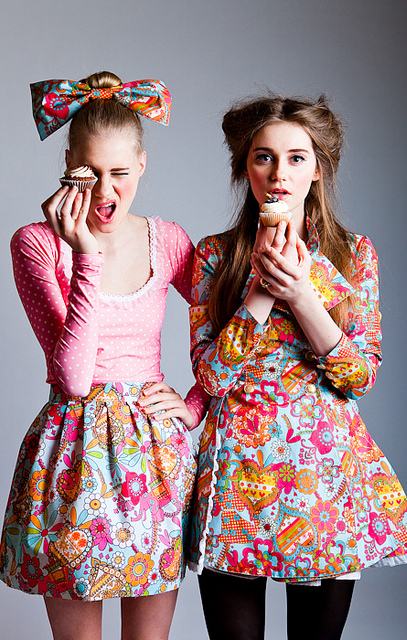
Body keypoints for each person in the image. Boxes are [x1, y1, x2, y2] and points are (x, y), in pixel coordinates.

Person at [187, 94, 407, 640]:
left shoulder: (352, 254)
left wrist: (301, 294)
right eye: (263, 157)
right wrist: (261, 292)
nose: (279, 174)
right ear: (244, 168)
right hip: (235, 476)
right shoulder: (214, 256)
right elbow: (212, 377)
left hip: (325, 476)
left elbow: (359, 376)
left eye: (296, 158)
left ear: (317, 170)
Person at [0, 71, 209, 640]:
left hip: (154, 459)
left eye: (120, 172)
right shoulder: (36, 243)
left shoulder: (168, 240)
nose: (105, 190)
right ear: (68, 163)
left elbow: (230, 328)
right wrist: (85, 255)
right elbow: (72, 377)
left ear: (142, 165)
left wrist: (195, 403)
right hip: (73, 457)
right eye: (91, 172)